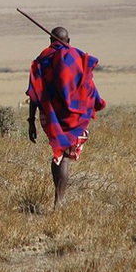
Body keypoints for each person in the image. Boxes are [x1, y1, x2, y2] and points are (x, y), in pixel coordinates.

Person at [26, 26, 106, 210]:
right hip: (74, 116)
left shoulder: (42, 60)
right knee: (65, 157)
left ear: (50, 41)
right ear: (68, 41)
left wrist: (31, 120)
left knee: (59, 153)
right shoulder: (76, 59)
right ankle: (59, 201)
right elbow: (88, 85)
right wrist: (91, 103)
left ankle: (58, 197)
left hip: (50, 115)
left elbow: (35, 92)